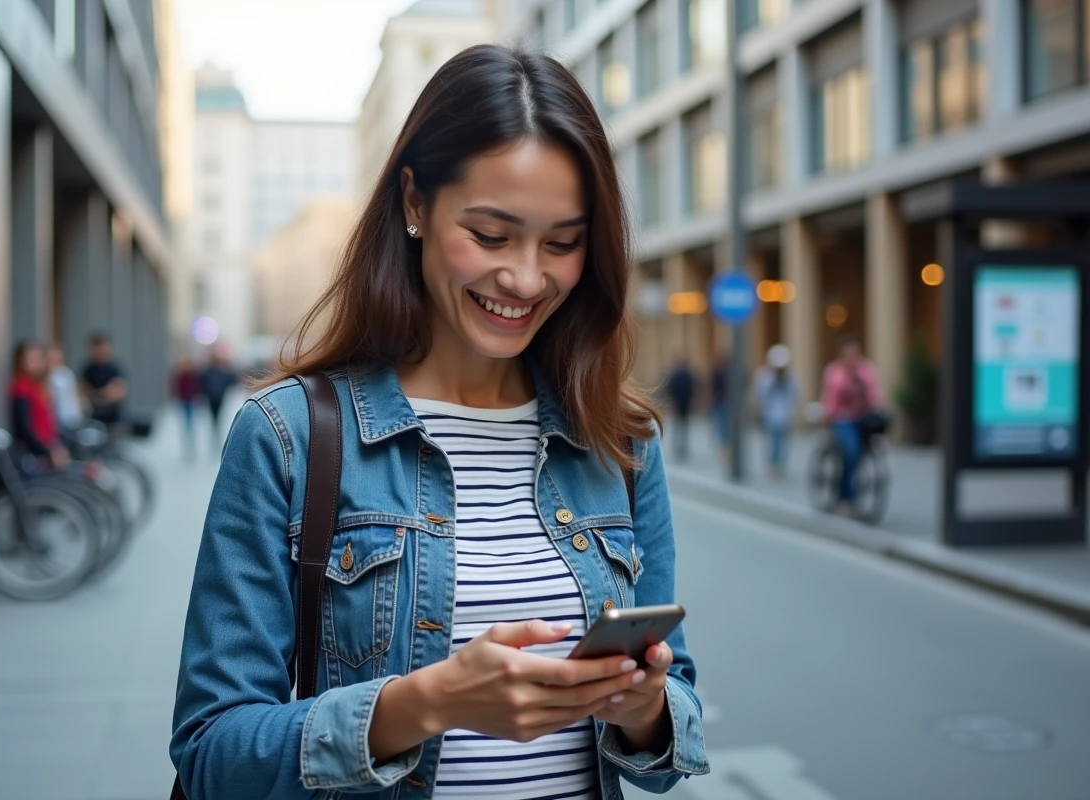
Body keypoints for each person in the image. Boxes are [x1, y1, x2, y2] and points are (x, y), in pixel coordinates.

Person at [170, 45, 708, 800]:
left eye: (562, 243)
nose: (526, 278)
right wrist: (427, 703)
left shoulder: (616, 441)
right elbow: (211, 753)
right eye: (491, 236)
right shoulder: (290, 436)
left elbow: (673, 716)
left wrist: (644, 705)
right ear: (415, 202)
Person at [821, 334, 884, 513]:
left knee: (865, 450)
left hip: (862, 416)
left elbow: (874, 392)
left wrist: (877, 407)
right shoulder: (834, 371)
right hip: (842, 418)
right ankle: (845, 496)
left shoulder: (865, 369)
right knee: (850, 451)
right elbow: (830, 397)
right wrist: (827, 416)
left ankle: (854, 492)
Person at [9, 339, 70, 470]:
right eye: (31, 358)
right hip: (35, 455)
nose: (36, 362)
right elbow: (25, 428)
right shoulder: (21, 387)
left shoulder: (38, 386)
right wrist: (47, 452)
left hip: (47, 449)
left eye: (38, 357)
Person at [752, 345, 799, 480]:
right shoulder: (765, 375)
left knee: (782, 441)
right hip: (770, 414)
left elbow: (794, 395)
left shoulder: (790, 377)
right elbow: (759, 393)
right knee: (772, 441)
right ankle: (772, 464)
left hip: (785, 414)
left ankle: (780, 465)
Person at [81, 332, 128, 433]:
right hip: (93, 419)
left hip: (113, 420)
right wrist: (103, 393)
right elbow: (83, 392)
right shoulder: (88, 369)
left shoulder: (115, 368)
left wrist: (95, 393)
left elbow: (117, 393)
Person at [197, 347, 237, 451]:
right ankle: (215, 433)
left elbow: (232, 379)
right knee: (213, 417)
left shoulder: (222, 371)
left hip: (219, 396)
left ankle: (216, 433)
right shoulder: (207, 371)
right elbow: (202, 382)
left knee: (217, 417)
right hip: (211, 397)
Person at [47, 343, 84, 431]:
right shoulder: (46, 375)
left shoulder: (67, 373)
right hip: (54, 420)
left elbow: (73, 396)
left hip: (70, 417)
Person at [170, 356, 201, 461]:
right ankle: (187, 447)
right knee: (186, 424)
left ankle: (191, 447)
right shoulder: (181, 376)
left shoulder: (193, 376)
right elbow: (177, 388)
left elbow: (197, 388)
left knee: (190, 423)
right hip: (184, 401)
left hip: (191, 401)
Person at [666, 359, 696, 462]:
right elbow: (692, 389)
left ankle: (679, 446)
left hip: (679, 403)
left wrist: (672, 400)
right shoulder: (686, 375)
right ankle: (681, 446)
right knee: (683, 425)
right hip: (684, 403)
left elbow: (670, 389)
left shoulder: (676, 375)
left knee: (679, 425)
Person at [710, 354, 730, 462]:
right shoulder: (720, 373)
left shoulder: (720, 373)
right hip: (721, 403)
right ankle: (724, 449)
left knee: (723, 427)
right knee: (723, 427)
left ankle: (724, 449)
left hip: (721, 403)